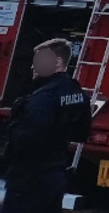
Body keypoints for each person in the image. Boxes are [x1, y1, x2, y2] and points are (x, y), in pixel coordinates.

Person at [3, 39, 90, 213]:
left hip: (29, 180)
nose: (33, 67)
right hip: (55, 177)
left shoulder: (43, 98)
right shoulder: (78, 93)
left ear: (57, 61)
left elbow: (24, 140)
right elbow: (82, 133)